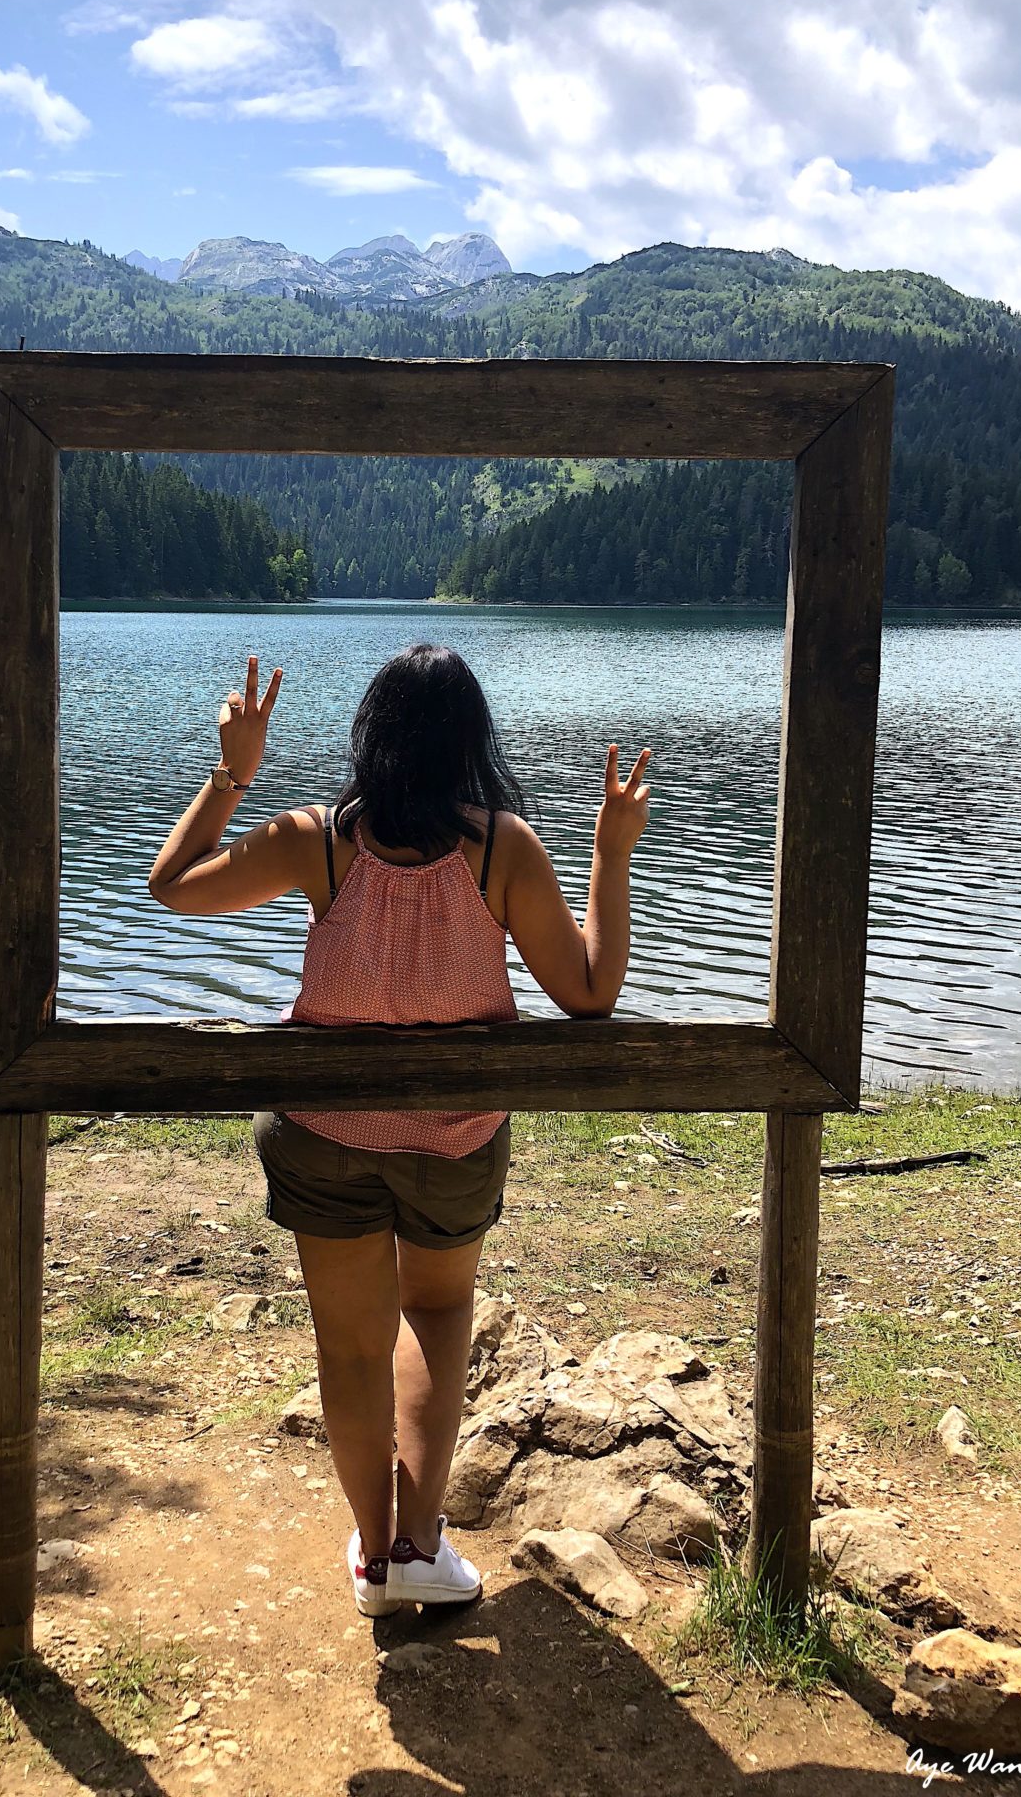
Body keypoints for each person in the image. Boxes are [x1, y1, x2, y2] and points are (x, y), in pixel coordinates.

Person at [148, 644, 650, 1617]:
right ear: (474, 744)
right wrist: (610, 853)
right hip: (453, 1143)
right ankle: (418, 1546)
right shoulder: (504, 849)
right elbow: (591, 994)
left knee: (347, 1349)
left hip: (321, 1139)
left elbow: (174, 886)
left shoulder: (317, 841)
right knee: (435, 1314)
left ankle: (376, 1559)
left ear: (368, 737)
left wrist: (232, 774)